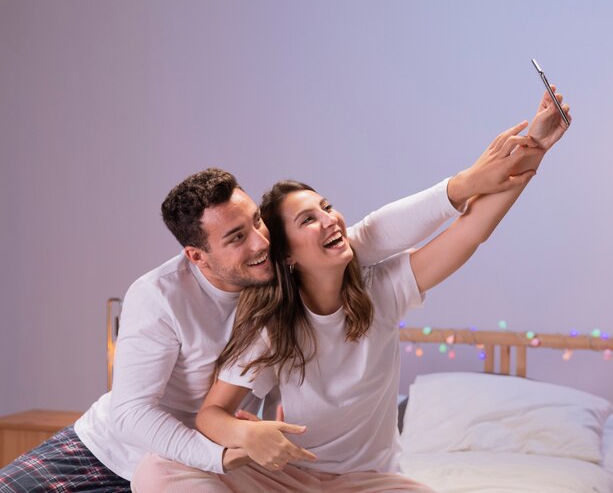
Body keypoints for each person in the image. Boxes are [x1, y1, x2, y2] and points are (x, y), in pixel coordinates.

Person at [0, 110, 543, 493]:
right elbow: (139, 413)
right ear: (198, 255)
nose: (258, 242)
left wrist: (501, 166)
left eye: (257, 223)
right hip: (130, 451)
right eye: (237, 238)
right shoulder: (176, 301)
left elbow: (392, 232)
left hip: (290, 468)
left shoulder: (337, 288)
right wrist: (237, 442)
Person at [130, 90, 571, 492]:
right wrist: (248, 435)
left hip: (370, 483)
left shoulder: (385, 289)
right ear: (287, 256)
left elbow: (472, 228)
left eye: (326, 207)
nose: (329, 220)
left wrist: (536, 145)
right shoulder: (272, 326)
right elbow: (211, 416)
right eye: (307, 220)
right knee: (157, 471)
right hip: (290, 479)